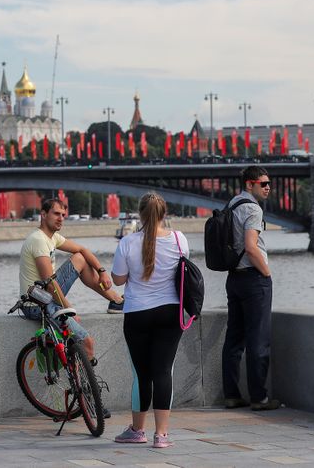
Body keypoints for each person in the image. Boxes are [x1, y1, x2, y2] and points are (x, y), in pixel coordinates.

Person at [111, 191, 186, 449]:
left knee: (141, 374)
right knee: (164, 371)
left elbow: (118, 280)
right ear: (164, 214)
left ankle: (137, 430)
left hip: (137, 313)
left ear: (140, 215)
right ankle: (161, 435)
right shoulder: (179, 240)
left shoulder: (127, 243)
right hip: (170, 312)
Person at [18, 198, 125, 364]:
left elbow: (82, 250)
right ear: (44, 215)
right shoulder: (38, 240)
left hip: (46, 296)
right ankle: (86, 387)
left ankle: (116, 300)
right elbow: (50, 283)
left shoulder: (52, 238)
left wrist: (102, 271)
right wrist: (68, 309)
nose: (61, 218)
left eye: (63, 215)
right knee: (87, 342)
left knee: (79, 258)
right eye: (56, 214)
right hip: (36, 305)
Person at [222, 166, 281, 411]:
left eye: (269, 183)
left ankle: (232, 395)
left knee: (234, 339)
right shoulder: (253, 208)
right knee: (259, 339)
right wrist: (266, 272)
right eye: (263, 183)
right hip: (254, 279)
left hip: (234, 278)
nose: (268, 187)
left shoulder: (232, 204)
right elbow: (250, 246)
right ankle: (260, 398)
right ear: (250, 184)